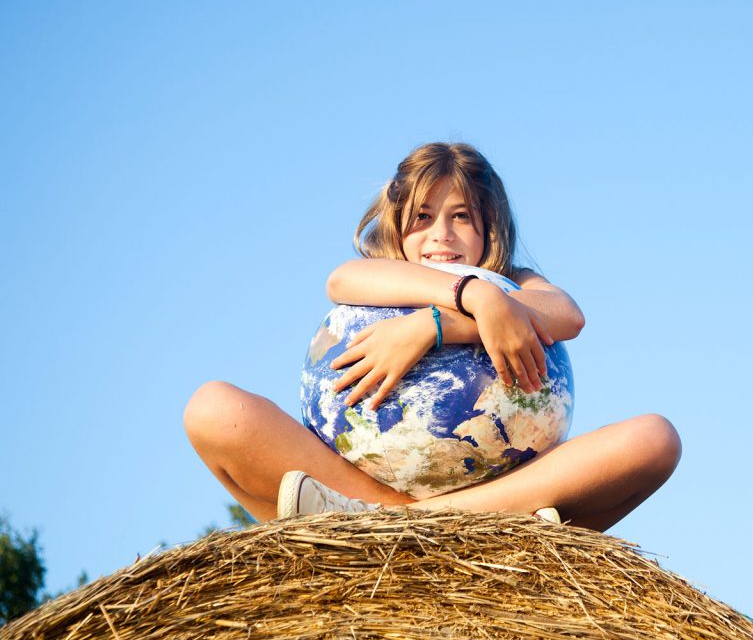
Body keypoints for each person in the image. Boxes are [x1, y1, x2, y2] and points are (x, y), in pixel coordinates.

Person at [184, 142, 681, 532]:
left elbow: (566, 315)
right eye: (422, 217)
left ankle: (415, 524)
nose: (440, 234)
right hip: (357, 477)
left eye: (461, 216)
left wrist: (439, 324)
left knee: (655, 440)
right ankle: (415, 517)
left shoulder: (516, 282)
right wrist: (475, 298)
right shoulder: (382, 276)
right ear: (397, 228)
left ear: (490, 228)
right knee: (212, 409)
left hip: (501, 480)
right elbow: (339, 280)